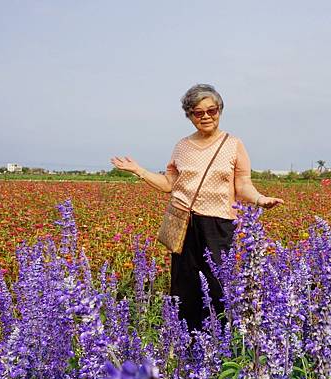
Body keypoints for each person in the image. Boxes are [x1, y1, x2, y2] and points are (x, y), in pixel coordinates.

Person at [111, 84, 284, 331]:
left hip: (218, 224)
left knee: (217, 284)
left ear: (220, 110)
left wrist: (259, 199)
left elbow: (243, 184)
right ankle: (185, 342)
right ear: (189, 115)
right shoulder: (182, 146)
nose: (205, 116)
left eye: (211, 110)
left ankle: (219, 339)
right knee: (185, 286)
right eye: (197, 112)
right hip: (183, 222)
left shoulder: (233, 144)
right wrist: (139, 171)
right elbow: (169, 184)